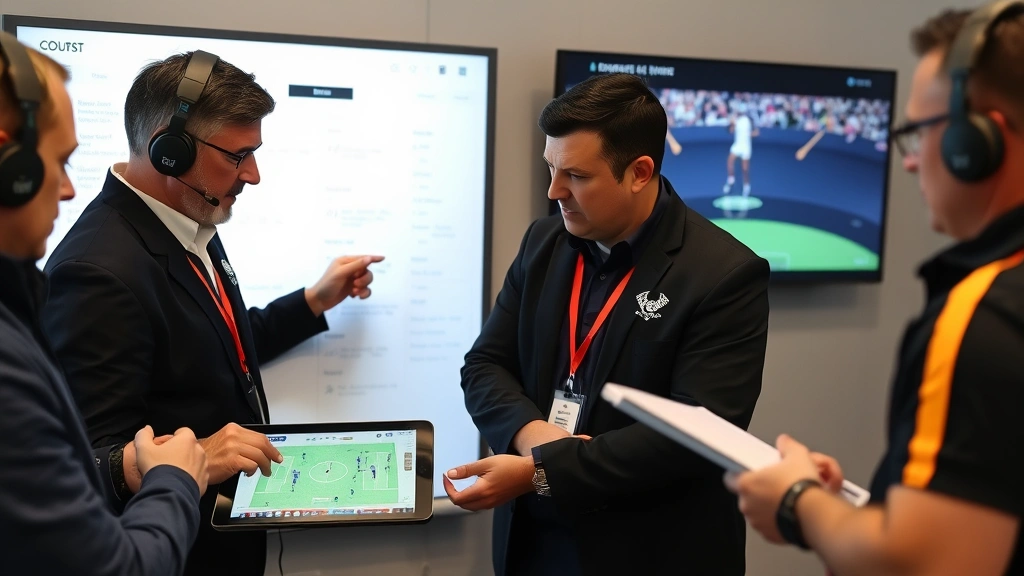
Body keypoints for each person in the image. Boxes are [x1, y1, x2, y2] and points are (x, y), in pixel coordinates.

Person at [40, 50, 382, 575]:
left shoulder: (188, 217)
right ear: (169, 152)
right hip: (176, 555)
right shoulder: (97, 272)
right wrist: (201, 451)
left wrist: (313, 301)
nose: (254, 175)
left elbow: (215, 349)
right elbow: (86, 462)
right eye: (238, 156)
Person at [727, 4, 1024, 575]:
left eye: (918, 133)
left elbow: (922, 566)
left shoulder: (981, 319)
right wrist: (855, 509)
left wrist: (796, 502)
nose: (908, 164)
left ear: (976, 142)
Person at [445, 73, 771, 575]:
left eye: (576, 176)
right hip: (534, 546)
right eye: (550, 168)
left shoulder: (724, 274)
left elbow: (695, 436)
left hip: (650, 552)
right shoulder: (542, 243)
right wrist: (537, 442)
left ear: (639, 172)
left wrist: (541, 472)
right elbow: (485, 365)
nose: (554, 191)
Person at [0, 32, 210, 576]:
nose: (68, 190)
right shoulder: (91, 273)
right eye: (59, 161)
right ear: (12, 169)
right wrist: (174, 478)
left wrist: (309, 304)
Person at [724, 102, 759, 196]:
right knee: (730, 161)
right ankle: (731, 180)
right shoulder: (735, 119)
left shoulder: (749, 120)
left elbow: (756, 132)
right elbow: (731, 131)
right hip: (737, 145)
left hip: (746, 147)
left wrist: (749, 134)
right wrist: (731, 123)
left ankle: (747, 186)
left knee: (745, 169)